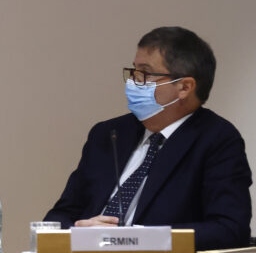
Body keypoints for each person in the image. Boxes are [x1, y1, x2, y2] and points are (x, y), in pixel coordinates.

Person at [44, 26, 252, 250]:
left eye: (144, 73)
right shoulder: (109, 133)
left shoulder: (217, 139)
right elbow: (58, 218)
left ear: (184, 87)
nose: (133, 82)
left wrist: (133, 239)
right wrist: (78, 232)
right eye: (133, 72)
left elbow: (229, 229)